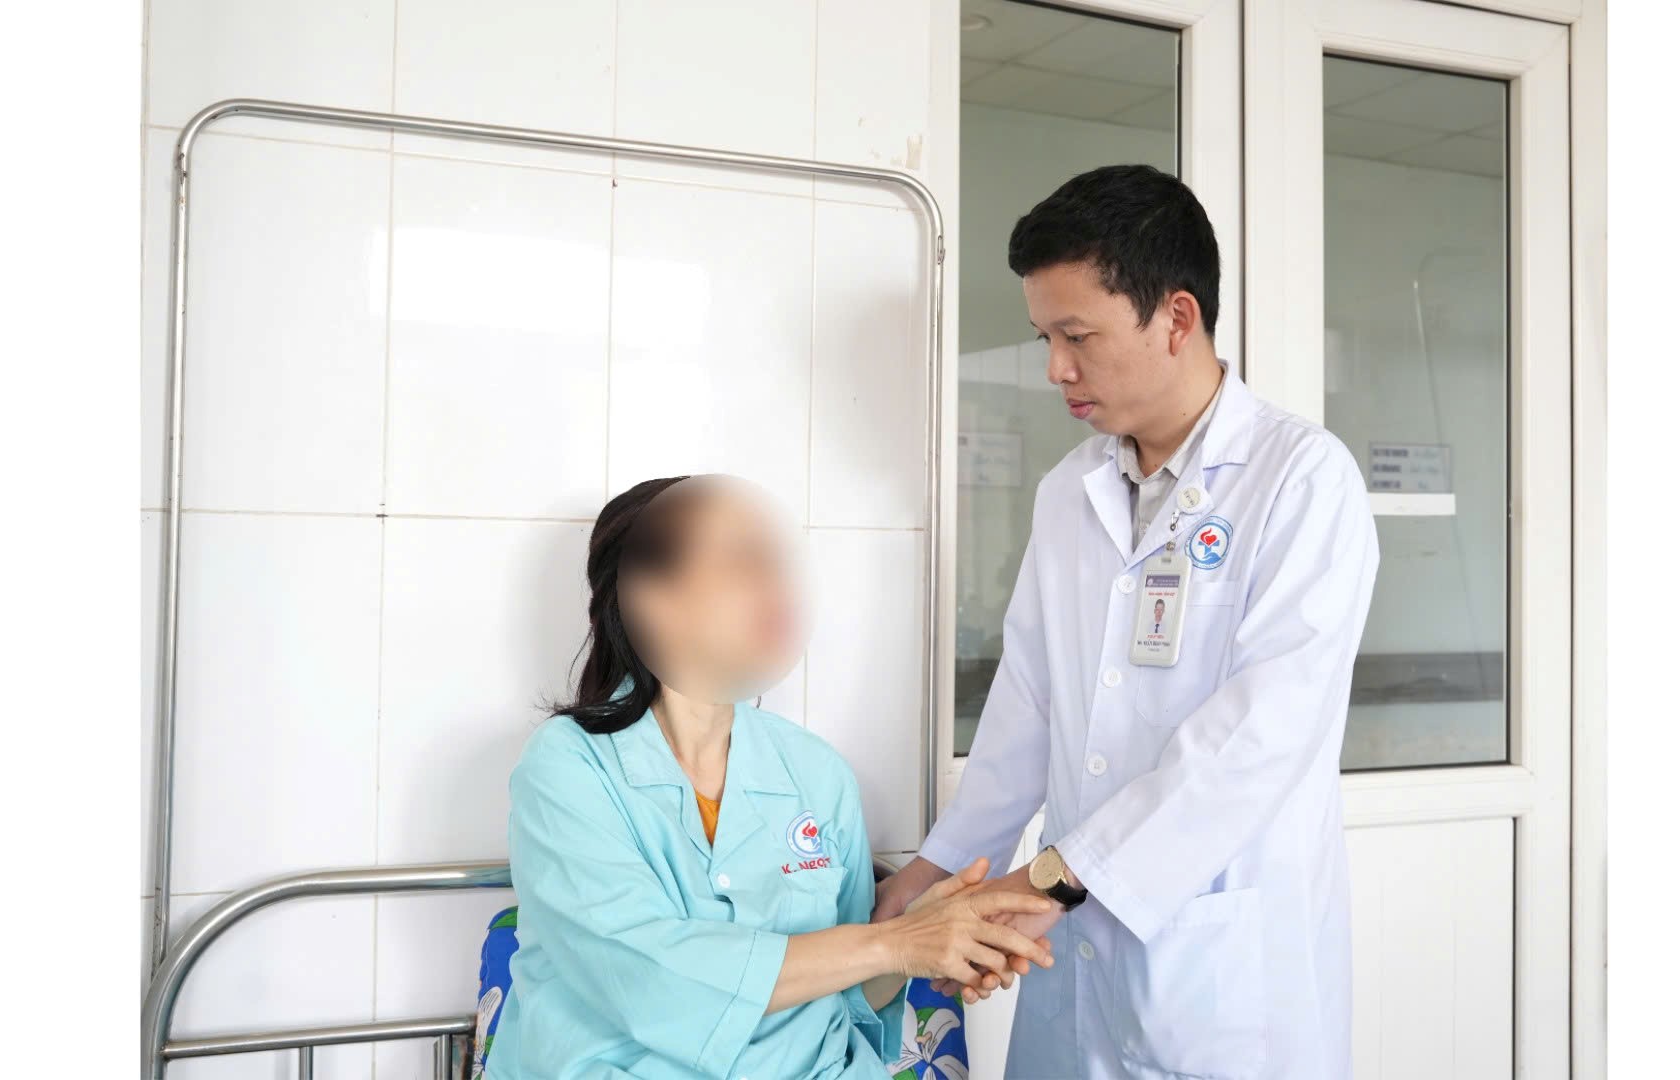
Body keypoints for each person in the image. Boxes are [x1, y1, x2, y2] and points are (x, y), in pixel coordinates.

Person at [874, 164, 1380, 1079]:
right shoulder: (1070, 491)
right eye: (1045, 337)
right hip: (1072, 958)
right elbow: (1028, 706)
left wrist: (1054, 880)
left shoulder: (1301, 479)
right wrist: (941, 869)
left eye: (1078, 336)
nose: (1055, 368)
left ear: (1176, 318)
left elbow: (1260, 737)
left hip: (1220, 970)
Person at [486, 475, 1057, 1080]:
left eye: (772, 562)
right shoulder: (569, 768)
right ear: (651, 602)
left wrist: (925, 942)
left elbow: (851, 997)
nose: (771, 586)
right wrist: (892, 943)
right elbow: (644, 980)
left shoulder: (817, 773)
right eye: (738, 563)